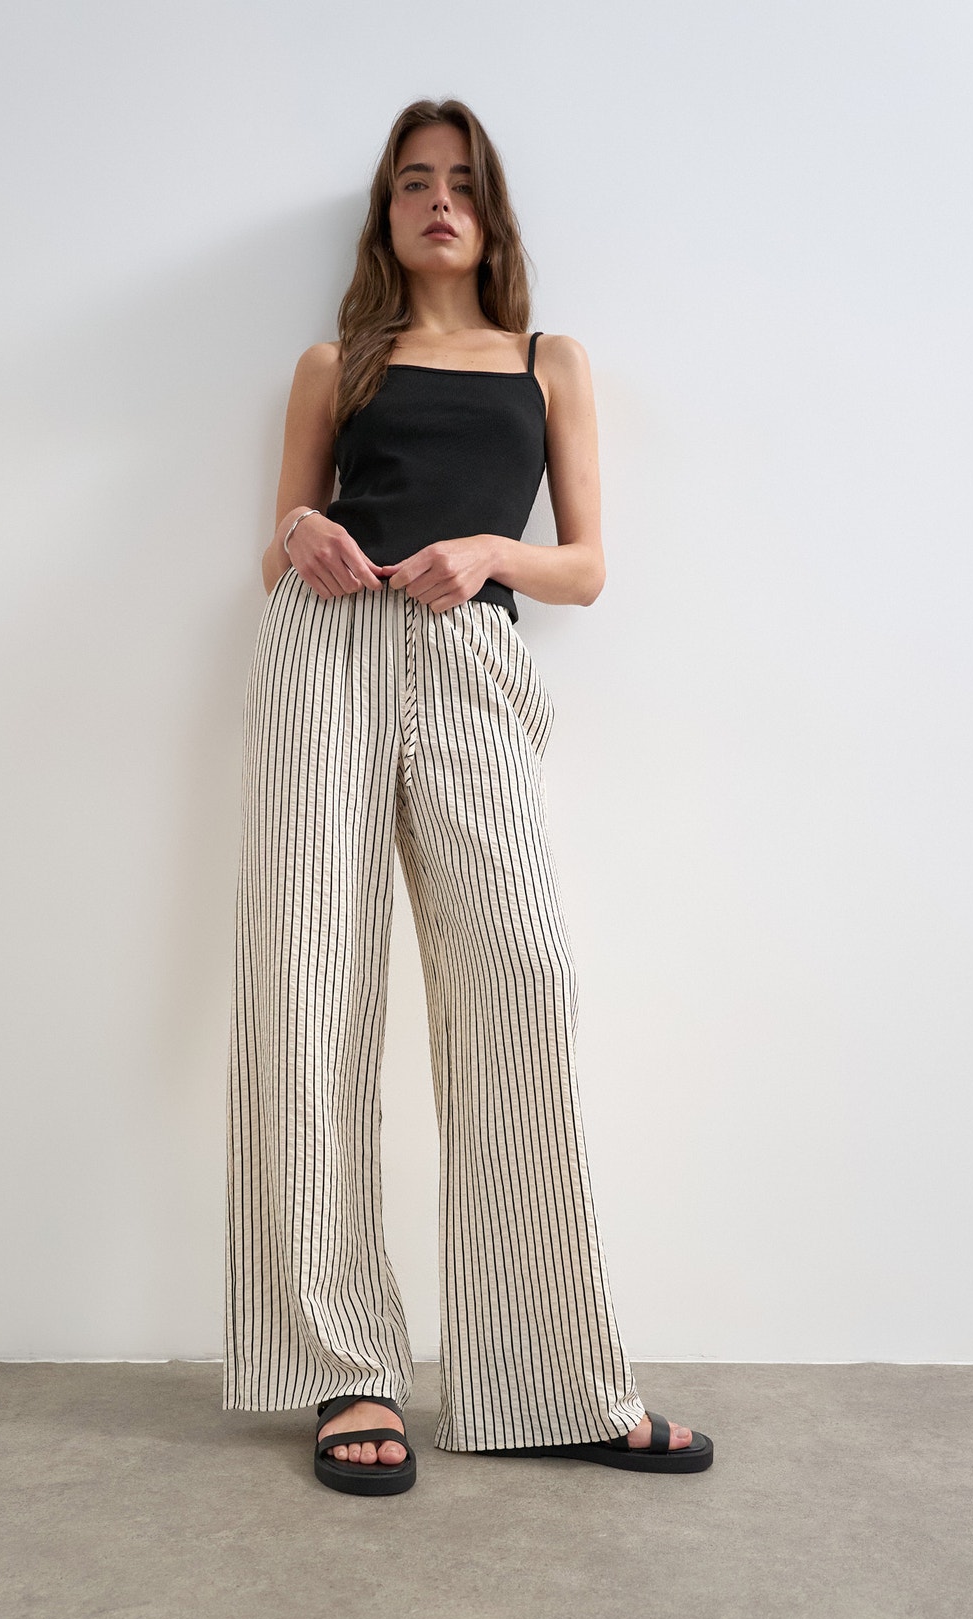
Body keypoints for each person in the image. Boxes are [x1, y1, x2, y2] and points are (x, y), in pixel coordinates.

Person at [223, 97, 714, 1497]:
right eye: (412, 183)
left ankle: (546, 1377)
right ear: (385, 216)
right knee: (311, 990)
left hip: (468, 661)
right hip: (326, 652)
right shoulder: (337, 363)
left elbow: (587, 566)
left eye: (461, 183)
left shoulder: (550, 362)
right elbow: (278, 538)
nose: (438, 201)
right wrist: (302, 529)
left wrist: (492, 548)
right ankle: (347, 1368)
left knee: (524, 977)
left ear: (492, 214)